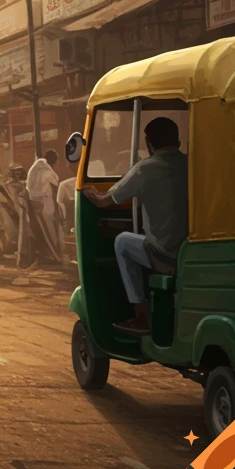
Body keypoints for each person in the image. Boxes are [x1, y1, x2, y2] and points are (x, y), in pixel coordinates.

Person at [84, 117, 188, 336]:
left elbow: (104, 201)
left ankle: (141, 316)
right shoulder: (191, 165)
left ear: (149, 144)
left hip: (165, 255)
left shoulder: (145, 169)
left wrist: (88, 192)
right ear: (178, 141)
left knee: (123, 241)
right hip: (192, 252)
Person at [25, 150, 64, 267]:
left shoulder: (36, 168)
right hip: (46, 204)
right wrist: (57, 206)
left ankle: (46, 255)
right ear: (54, 160)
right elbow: (54, 188)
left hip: (35, 203)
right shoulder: (47, 172)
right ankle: (56, 256)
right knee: (50, 231)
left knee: (42, 230)